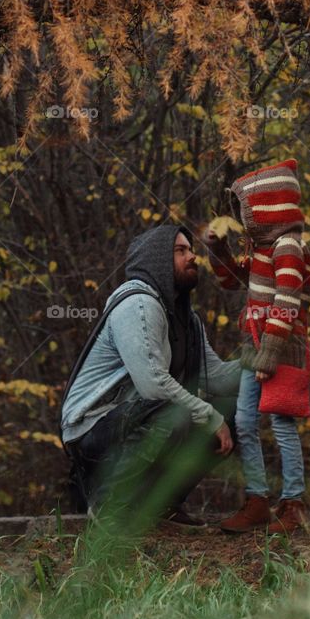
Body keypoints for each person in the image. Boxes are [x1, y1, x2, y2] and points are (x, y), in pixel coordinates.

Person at [60, 223, 241, 528]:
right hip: (91, 429)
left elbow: (219, 377)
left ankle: (163, 505)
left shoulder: (187, 320)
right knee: (175, 408)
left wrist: (261, 359)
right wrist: (209, 416)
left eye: (191, 250)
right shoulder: (137, 304)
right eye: (180, 251)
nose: (192, 257)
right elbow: (153, 384)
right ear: (157, 259)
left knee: (235, 411)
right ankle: (109, 505)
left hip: (137, 419)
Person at [205, 157, 310, 535]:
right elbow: (233, 282)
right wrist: (218, 250)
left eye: (246, 209)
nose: (242, 217)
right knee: (245, 421)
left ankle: (294, 503)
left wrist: (270, 354)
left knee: (281, 423)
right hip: (255, 347)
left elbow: (288, 302)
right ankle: (256, 501)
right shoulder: (263, 250)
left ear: (267, 209)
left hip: (282, 348)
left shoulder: (288, 247)